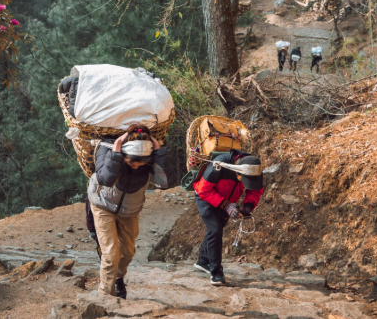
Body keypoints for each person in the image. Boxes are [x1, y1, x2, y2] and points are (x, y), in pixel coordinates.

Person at [88, 125, 176, 299]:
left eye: (140, 164)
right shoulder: (106, 148)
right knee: (112, 254)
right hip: (103, 205)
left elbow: (165, 183)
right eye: (132, 163)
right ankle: (106, 298)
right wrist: (116, 153)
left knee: (128, 252)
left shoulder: (150, 157)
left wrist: (158, 152)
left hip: (130, 210)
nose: (136, 167)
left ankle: (118, 277)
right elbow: (105, 179)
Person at [192, 152, 263, 286]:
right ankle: (216, 274)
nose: (244, 182)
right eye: (243, 179)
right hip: (205, 197)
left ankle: (203, 261)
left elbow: (255, 190)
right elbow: (203, 190)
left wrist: (248, 207)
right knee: (215, 230)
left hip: (227, 200)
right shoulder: (219, 165)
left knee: (216, 228)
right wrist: (226, 205)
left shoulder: (253, 168)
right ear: (237, 171)